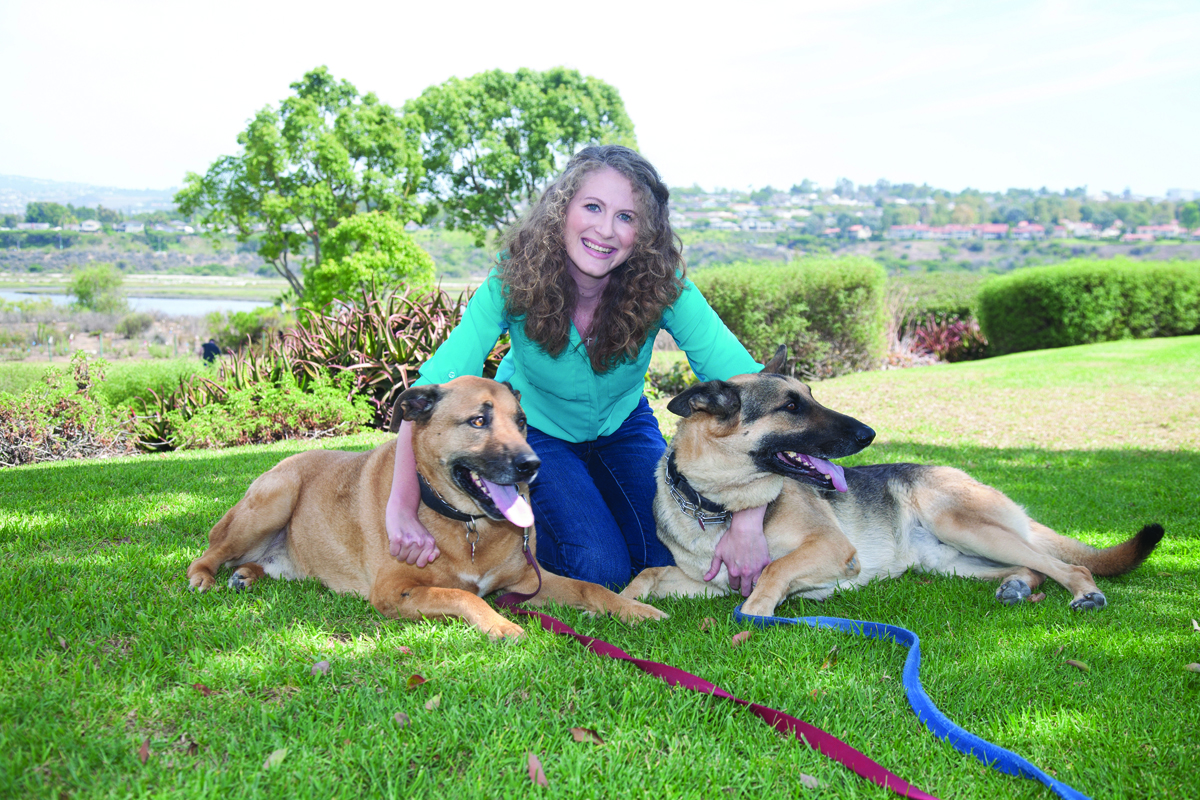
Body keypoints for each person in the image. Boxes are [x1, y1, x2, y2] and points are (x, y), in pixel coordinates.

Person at [385, 145, 771, 594]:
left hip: (624, 427)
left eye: (626, 217)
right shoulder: (512, 280)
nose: (605, 230)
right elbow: (431, 392)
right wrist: (401, 507)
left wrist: (747, 523)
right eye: (592, 207)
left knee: (666, 557)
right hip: (537, 431)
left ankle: (596, 503)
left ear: (645, 232)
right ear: (561, 209)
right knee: (596, 567)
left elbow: (752, 393)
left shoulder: (666, 288)